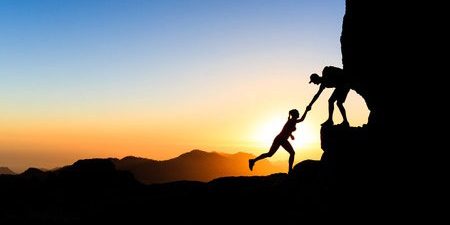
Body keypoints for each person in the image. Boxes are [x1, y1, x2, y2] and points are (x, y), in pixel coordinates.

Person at [249, 108, 309, 174]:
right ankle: (290, 170)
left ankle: (253, 161)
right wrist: (306, 111)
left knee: (270, 154)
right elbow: (302, 120)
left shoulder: (291, 121)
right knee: (291, 153)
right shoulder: (292, 121)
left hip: (280, 139)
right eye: (297, 113)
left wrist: (290, 135)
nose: (299, 114)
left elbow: (287, 130)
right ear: (295, 115)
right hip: (281, 139)